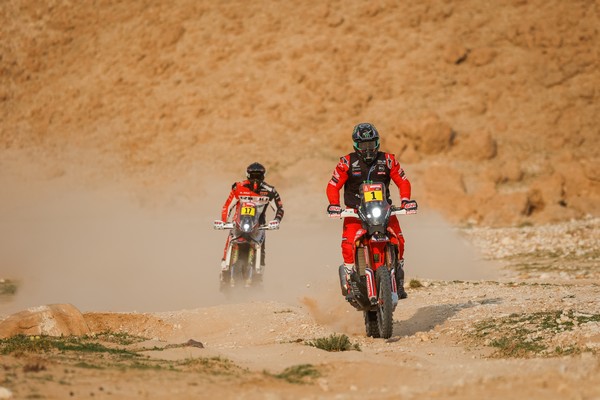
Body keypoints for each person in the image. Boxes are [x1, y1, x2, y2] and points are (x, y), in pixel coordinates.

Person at [326, 123, 412, 299]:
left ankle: (399, 277)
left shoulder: (388, 160)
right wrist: (334, 204)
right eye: (363, 145)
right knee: (348, 244)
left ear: (377, 143)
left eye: (371, 144)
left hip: (383, 210)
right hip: (355, 212)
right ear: (356, 145)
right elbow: (333, 185)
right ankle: (350, 280)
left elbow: (403, 181)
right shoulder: (346, 163)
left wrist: (405, 201)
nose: (368, 149)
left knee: (399, 240)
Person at [219, 162, 284, 270]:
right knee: (230, 238)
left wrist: (276, 221)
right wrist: (224, 221)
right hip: (239, 223)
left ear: (263, 176)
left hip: (259, 225)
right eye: (253, 176)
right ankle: (224, 264)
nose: (255, 179)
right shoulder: (238, 187)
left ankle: (260, 270)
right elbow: (227, 206)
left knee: (261, 248)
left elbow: (279, 208)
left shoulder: (270, 191)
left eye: (258, 176)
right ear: (248, 175)